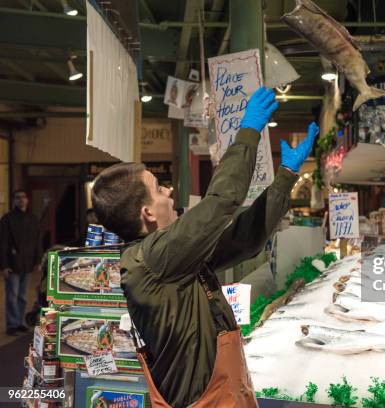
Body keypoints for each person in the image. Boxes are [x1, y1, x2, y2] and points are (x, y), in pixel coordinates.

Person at [91, 87, 318, 407]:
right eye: (158, 188)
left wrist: (286, 177)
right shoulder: (154, 259)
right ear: (148, 214)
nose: (168, 191)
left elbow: (242, 240)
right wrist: (249, 130)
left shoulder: (172, 258)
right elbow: (222, 200)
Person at [0, 189, 42, 335]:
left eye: (23, 197)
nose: (21, 200)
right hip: (12, 264)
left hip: (28, 263)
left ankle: (19, 323)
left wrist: (38, 260)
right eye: (18, 197)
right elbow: (3, 243)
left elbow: (38, 241)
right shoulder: (7, 219)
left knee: (23, 296)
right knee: (12, 297)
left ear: (27, 200)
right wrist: (3, 265)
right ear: (14, 201)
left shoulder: (33, 218)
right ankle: (12, 324)